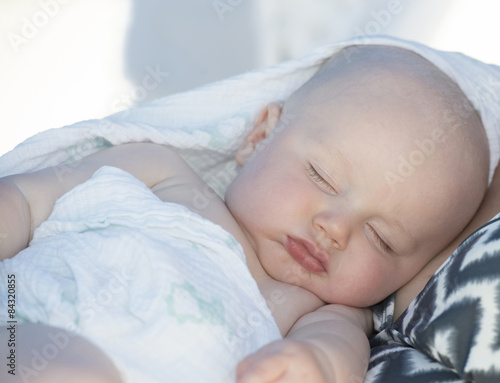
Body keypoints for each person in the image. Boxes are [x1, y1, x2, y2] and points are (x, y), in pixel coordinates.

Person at [0, 45, 490, 383]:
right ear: (259, 137)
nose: (335, 229)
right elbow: (24, 198)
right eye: (321, 176)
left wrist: (313, 361)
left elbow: (330, 361)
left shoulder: (323, 314)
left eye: (382, 239)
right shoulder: (157, 173)